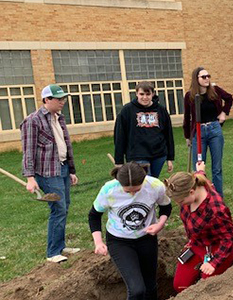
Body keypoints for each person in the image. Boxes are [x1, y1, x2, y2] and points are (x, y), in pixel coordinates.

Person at [88, 162, 172, 300]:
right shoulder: (109, 190)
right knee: (137, 289)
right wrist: (98, 242)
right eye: (128, 191)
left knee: (150, 286)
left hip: (147, 238)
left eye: (137, 190)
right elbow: (94, 215)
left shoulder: (155, 186)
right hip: (119, 241)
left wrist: (160, 224)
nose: (132, 193)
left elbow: (166, 207)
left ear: (144, 180)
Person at [20, 84, 80, 263]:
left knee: (64, 207)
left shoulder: (59, 118)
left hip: (62, 168)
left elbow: (65, 146)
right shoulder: (33, 121)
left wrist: (71, 170)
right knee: (58, 209)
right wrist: (30, 178)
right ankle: (53, 252)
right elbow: (28, 151)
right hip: (47, 173)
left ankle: (60, 246)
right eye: (59, 99)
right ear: (46, 100)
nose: (63, 102)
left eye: (63, 98)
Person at [164, 161, 233, 293]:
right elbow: (198, 176)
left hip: (218, 248)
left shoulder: (216, 210)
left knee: (206, 286)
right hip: (197, 245)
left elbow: (229, 238)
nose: (178, 204)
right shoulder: (196, 182)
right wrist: (200, 169)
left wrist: (213, 263)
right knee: (180, 285)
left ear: (191, 192)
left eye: (180, 201)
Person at [183, 67, 233, 197]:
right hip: (198, 133)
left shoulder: (215, 91)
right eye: (203, 77)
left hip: (214, 130)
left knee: (216, 168)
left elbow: (229, 98)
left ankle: (218, 198)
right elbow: (187, 116)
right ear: (196, 79)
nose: (207, 79)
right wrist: (187, 136)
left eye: (208, 76)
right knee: (198, 168)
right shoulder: (190, 96)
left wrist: (223, 112)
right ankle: (201, 197)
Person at [113, 81, 175, 178]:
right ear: (136, 93)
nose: (145, 97)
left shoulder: (161, 110)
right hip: (137, 155)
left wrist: (170, 157)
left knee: (153, 182)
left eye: (148, 94)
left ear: (153, 94)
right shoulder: (127, 110)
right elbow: (120, 136)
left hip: (158, 154)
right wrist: (119, 161)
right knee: (144, 182)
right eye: (142, 94)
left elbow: (168, 134)